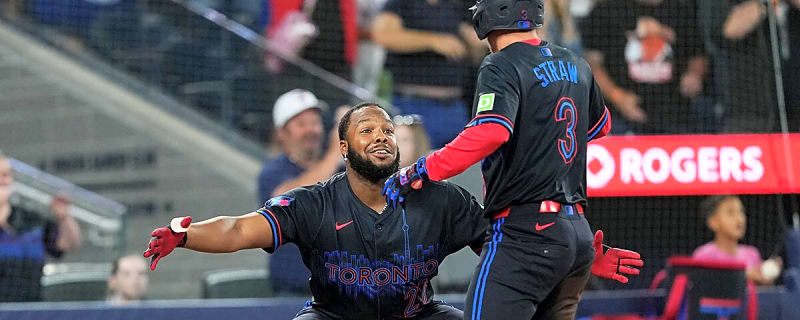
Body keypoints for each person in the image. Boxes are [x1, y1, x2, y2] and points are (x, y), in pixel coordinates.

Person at [382, 1, 643, 318]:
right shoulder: (576, 62)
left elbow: (490, 132)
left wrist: (422, 169)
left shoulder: (500, 64)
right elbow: (600, 126)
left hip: (525, 233)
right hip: (576, 235)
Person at [145, 103, 488, 319]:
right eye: (366, 131)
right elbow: (238, 230)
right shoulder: (311, 203)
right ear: (343, 147)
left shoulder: (443, 199)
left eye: (388, 131)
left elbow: (499, 246)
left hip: (418, 314)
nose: (381, 137)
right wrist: (187, 235)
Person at [257, 89, 345, 295]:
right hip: (292, 293)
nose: (311, 130)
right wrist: (334, 152)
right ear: (281, 133)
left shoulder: (342, 169)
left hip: (343, 292)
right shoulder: (273, 172)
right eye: (301, 124)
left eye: (315, 122)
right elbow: (289, 197)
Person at [372, 0, 487, 148]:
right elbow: (383, 35)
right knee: (414, 165)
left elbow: (474, 47)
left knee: (462, 165)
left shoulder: (458, 5)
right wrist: (433, 41)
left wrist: (477, 43)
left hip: (454, 105)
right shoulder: (401, 3)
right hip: (412, 104)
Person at [581, 0, 708, 134]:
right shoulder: (606, 9)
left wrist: (695, 75)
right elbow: (591, 64)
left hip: (676, 113)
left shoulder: (682, 7)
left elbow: (698, 53)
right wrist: (617, 97)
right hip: (620, 118)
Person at [0, 150, 82, 302]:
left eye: (7, 175)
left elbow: (69, 245)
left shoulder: (30, 220)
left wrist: (64, 218)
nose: (4, 181)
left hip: (30, 309)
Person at [693, 195, 783, 285]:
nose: (739, 219)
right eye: (730, 212)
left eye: (741, 212)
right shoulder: (704, 255)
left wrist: (768, 274)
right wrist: (746, 276)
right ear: (713, 222)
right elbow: (705, 287)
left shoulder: (752, 253)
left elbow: (764, 291)